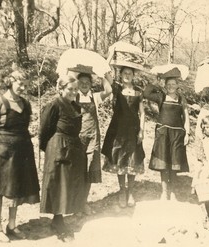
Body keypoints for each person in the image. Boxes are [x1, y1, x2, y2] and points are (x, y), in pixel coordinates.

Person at [39, 75, 87, 242]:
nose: (73, 92)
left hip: (72, 146)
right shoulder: (54, 104)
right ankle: (58, 222)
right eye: (70, 89)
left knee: (67, 183)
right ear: (61, 89)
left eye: (75, 89)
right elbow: (44, 130)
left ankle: (59, 218)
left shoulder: (75, 105)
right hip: (58, 146)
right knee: (58, 184)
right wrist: (50, 148)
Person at [0, 67, 40, 242]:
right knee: (0, 190)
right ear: (10, 81)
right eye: (20, 84)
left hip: (22, 151)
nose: (23, 88)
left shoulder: (26, 103)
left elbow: (25, 127)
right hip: (2, 152)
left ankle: (12, 225)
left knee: (16, 189)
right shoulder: (0, 102)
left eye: (25, 85)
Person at [68, 64, 112, 215]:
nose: (85, 84)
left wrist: (102, 75)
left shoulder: (95, 97)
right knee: (77, 172)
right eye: (82, 82)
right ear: (77, 83)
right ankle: (75, 205)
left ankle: (84, 203)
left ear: (91, 84)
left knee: (88, 172)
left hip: (93, 138)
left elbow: (109, 90)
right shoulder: (73, 96)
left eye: (88, 82)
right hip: (78, 139)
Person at [143, 67, 190, 201]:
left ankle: (173, 192)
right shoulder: (161, 96)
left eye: (173, 84)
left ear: (177, 86)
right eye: (168, 84)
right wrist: (156, 82)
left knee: (175, 164)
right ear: (165, 85)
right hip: (163, 134)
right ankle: (164, 192)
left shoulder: (181, 99)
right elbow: (146, 93)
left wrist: (187, 133)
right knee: (163, 163)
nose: (171, 87)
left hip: (177, 134)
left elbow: (186, 116)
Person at [101, 66, 145, 208]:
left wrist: (142, 131)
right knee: (119, 158)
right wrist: (108, 58)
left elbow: (142, 113)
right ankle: (122, 191)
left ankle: (130, 192)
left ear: (133, 75)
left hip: (133, 130)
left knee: (133, 159)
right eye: (124, 73)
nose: (127, 75)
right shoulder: (117, 88)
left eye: (130, 73)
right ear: (120, 75)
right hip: (118, 130)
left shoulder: (138, 91)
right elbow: (105, 74)